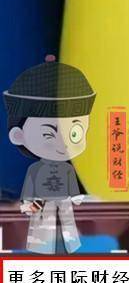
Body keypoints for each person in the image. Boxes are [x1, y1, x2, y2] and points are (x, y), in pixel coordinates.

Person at [4, 56, 95, 254]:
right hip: (42, 209)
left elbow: (74, 192)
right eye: (48, 134)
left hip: (64, 208)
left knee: (67, 233)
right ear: (18, 136)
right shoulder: (35, 170)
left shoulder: (67, 169)